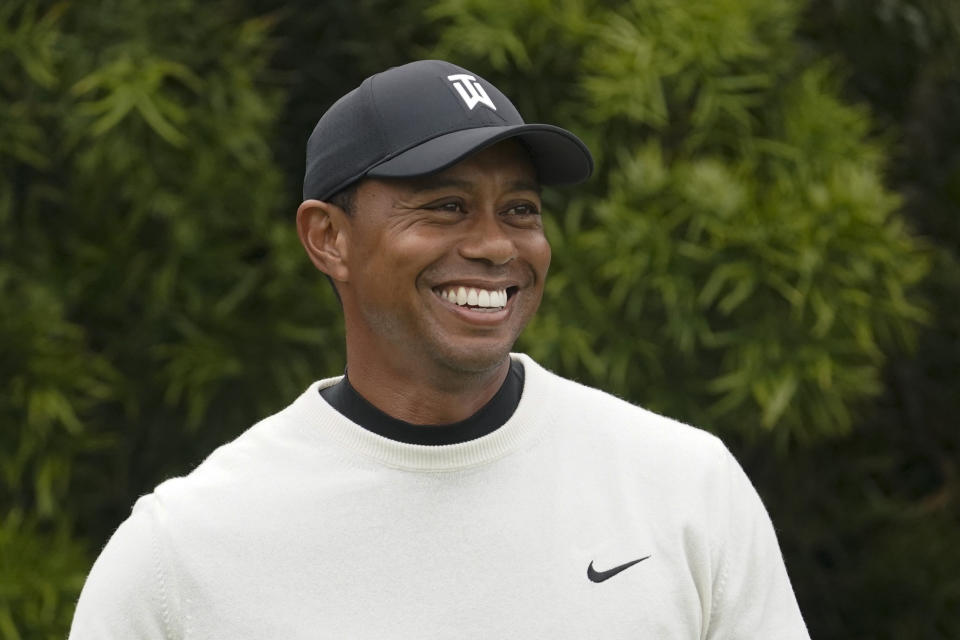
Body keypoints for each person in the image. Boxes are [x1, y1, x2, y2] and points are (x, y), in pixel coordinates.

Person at [69, 60, 810, 639]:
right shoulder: (182, 551)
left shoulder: (684, 488)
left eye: (519, 209)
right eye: (446, 206)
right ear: (329, 238)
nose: (494, 245)